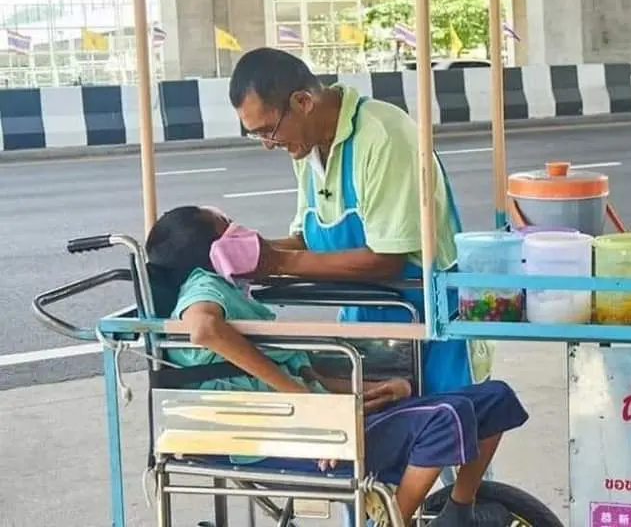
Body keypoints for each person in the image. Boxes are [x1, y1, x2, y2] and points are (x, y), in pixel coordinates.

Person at [145, 205, 528, 525]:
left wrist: (368, 389)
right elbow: (204, 329)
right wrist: (311, 407)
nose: (239, 229)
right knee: (446, 417)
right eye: (226, 225)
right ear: (211, 251)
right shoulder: (203, 287)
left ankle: (458, 514)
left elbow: (299, 369)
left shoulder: (232, 290)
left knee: (495, 398)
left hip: (314, 413)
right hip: (277, 432)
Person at [227, 47, 490, 395]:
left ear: (303, 102)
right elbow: (308, 240)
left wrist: (276, 262)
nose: (267, 144)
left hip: (430, 328)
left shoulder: (383, 135)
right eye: (257, 135)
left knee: (442, 421)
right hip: (367, 327)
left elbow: (386, 258)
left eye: (268, 131)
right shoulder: (306, 146)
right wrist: (248, 252)